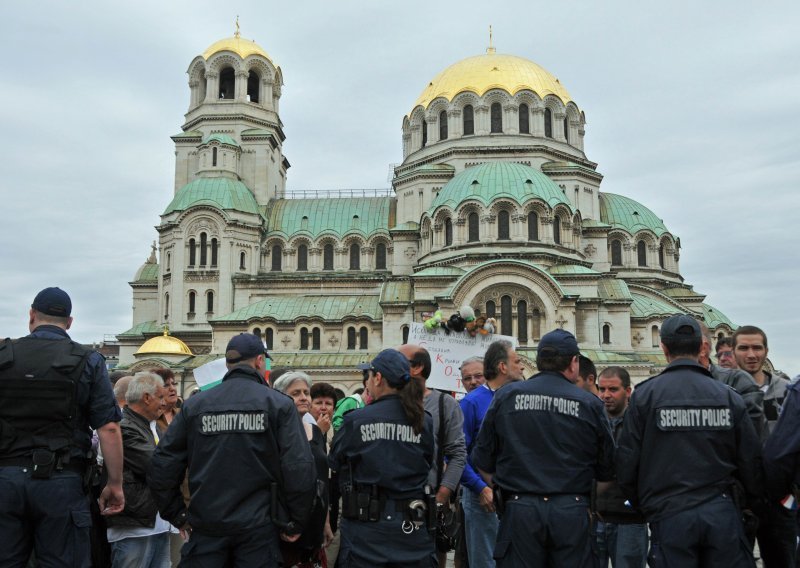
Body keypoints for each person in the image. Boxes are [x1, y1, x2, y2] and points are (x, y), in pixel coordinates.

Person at [148, 333, 316, 567]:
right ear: (259, 361)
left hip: (207, 529)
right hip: (258, 530)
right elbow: (299, 467)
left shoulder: (196, 405)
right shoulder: (278, 404)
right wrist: (295, 521)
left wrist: (178, 514)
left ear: (229, 364)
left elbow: (163, 464)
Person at [617, 315, 763, 567]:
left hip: (669, 514)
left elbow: (628, 462)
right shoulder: (728, 397)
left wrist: (645, 506)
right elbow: (751, 462)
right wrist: (747, 506)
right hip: (722, 513)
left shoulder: (645, 396)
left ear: (663, 347)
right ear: (701, 347)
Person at [0, 286, 125, 566]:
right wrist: (115, 484)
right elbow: (109, 429)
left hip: (5, 479)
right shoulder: (88, 360)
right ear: (69, 322)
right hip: (61, 481)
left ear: (31, 315)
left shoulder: (3, 355)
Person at [472, 329, 615, 567]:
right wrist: (584, 500)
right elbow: (608, 467)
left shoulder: (506, 396)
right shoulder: (590, 404)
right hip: (571, 510)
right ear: (573, 363)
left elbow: (483, 458)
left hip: (520, 509)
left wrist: (503, 492)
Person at [329, 349, 435, 567]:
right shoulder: (423, 420)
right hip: (411, 528)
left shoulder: (356, 420)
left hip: (366, 532)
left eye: (368, 376)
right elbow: (428, 461)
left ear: (378, 378)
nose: (366, 382)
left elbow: (334, 465)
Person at [399, 344, 467, 566]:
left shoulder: (443, 404)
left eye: (398, 359)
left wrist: (441, 498)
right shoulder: (387, 404)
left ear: (417, 367)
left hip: (429, 506)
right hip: (392, 507)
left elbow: (457, 454)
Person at [733, 325, 796, 566]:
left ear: (766, 351)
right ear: (733, 351)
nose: (751, 354)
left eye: (757, 348)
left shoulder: (787, 392)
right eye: (744, 348)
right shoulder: (724, 392)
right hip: (740, 498)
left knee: (783, 558)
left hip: (779, 497)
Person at [459, 342, 522, 567]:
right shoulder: (471, 403)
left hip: (515, 495)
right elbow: (457, 455)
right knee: (485, 560)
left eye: (478, 375)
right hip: (482, 498)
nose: (522, 367)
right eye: (517, 362)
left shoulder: (518, 396)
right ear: (502, 367)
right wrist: (481, 488)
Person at [106, 372, 171, 568]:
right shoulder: (125, 427)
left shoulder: (155, 427)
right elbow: (156, 466)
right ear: (146, 397)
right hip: (135, 526)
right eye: (160, 397)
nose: (164, 402)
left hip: (158, 524)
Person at [273, 371, 333, 566]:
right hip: (287, 525)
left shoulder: (315, 430)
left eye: (306, 392)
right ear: (281, 396)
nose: (304, 398)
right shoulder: (275, 432)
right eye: (296, 393)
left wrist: (325, 522)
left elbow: (322, 477)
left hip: (313, 523)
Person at [594, 367, 647, 568]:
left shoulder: (640, 424)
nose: (606, 395)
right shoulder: (593, 421)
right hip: (596, 516)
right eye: (602, 389)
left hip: (630, 518)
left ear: (628, 391)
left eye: (613, 389)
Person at [699, 325, 766, 441]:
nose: (723, 359)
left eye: (728, 354)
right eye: (719, 355)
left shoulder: (741, 383)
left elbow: (753, 435)